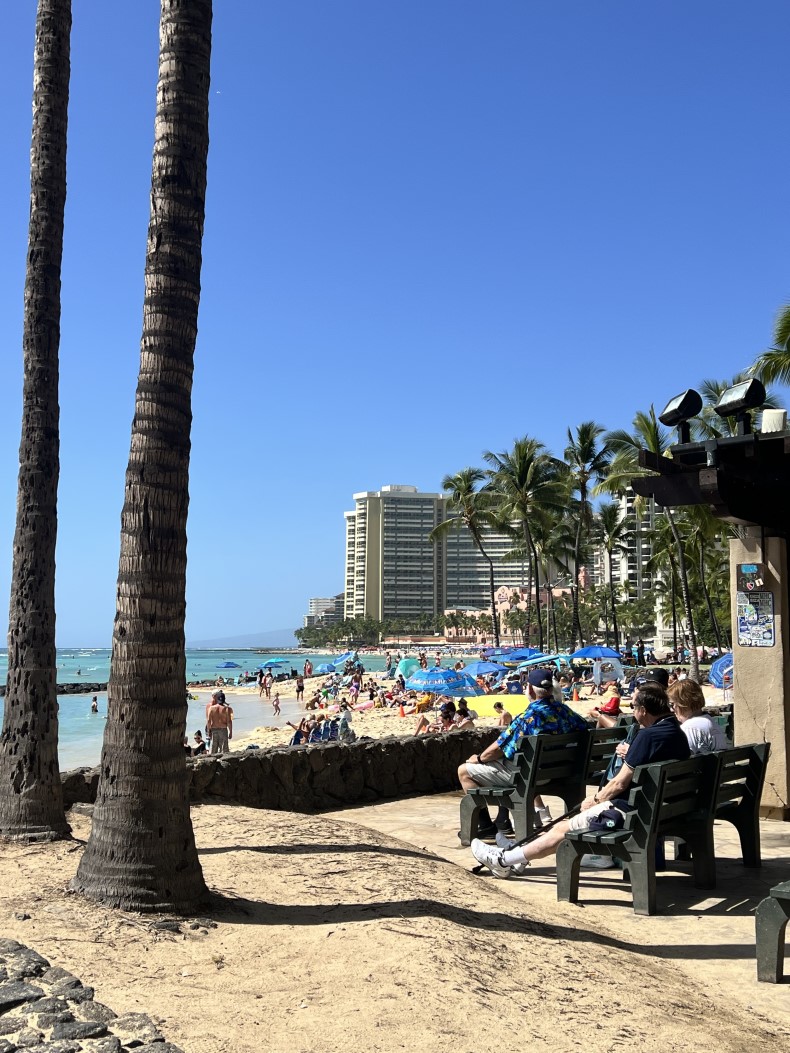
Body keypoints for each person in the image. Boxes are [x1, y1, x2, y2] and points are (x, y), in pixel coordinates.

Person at [471, 679, 691, 877]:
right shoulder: (677, 733)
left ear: (643, 710)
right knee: (564, 825)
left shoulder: (647, 736)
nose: (633, 711)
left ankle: (503, 860)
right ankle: (517, 856)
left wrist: (594, 800)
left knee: (562, 829)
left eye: (633, 707)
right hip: (661, 810)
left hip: (631, 813)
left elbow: (618, 783)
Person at [458, 668, 588, 840]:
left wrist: (479, 759)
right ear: (551, 689)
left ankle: (486, 826)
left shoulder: (528, 717)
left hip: (532, 777)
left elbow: (498, 749)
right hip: (561, 774)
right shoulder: (566, 712)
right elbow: (587, 730)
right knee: (510, 765)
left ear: (530, 689)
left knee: (464, 771)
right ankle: (502, 820)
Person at [669, 679, 730, 753]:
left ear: (684, 703)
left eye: (672, 704)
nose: (672, 709)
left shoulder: (689, 729)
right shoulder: (710, 721)